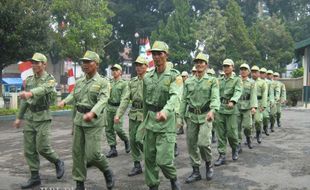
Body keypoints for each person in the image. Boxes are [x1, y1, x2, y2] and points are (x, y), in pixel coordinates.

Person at [13, 52, 65, 189]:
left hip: (43, 117)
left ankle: (58, 161)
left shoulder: (50, 79)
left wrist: (30, 93)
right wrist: (19, 117)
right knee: (29, 149)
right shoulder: (29, 80)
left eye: (37, 62)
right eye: (33, 62)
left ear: (44, 64)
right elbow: (25, 101)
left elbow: (44, 89)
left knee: (43, 147)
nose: (34, 65)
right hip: (30, 118)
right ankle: (35, 177)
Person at [70, 50, 114, 190]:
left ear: (97, 64)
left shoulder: (103, 82)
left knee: (93, 155)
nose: (85, 64)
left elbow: (103, 100)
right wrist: (73, 124)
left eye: (89, 62)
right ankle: (79, 183)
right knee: (77, 153)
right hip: (79, 120)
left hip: (94, 121)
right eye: (83, 62)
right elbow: (75, 104)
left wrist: (93, 113)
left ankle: (107, 170)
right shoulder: (79, 82)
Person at [142, 41, 182, 190]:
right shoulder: (147, 77)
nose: (156, 57)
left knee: (164, 160)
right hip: (150, 121)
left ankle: (172, 177)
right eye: (154, 54)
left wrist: (165, 111)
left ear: (166, 55)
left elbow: (175, 96)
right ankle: (153, 186)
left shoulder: (174, 76)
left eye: (160, 53)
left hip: (167, 122)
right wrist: (143, 123)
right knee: (149, 159)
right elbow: (146, 102)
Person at [180, 52, 219, 183]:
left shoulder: (212, 81)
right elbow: (184, 100)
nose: (199, 64)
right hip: (191, 116)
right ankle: (196, 171)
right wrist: (180, 117)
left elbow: (215, 98)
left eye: (202, 62)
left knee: (203, 143)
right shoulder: (189, 81)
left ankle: (208, 165)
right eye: (197, 62)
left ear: (206, 65)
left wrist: (213, 111)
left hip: (205, 116)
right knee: (191, 144)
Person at [115, 56, 148, 176]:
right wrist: (119, 114)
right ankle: (137, 165)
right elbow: (125, 99)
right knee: (133, 140)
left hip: (146, 114)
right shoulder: (132, 81)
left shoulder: (150, 80)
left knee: (140, 139)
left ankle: (151, 158)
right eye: (137, 65)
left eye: (141, 65)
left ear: (147, 66)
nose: (138, 67)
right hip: (134, 113)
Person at [214, 59, 242, 166]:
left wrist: (233, 100)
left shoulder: (237, 80)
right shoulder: (219, 80)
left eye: (228, 66)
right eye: (224, 66)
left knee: (231, 133)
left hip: (231, 109)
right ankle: (222, 155)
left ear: (233, 67)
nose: (225, 68)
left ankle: (235, 148)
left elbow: (238, 91)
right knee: (220, 134)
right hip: (220, 109)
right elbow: (215, 93)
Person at [106, 64, 131, 158]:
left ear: (120, 72)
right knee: (108, 129)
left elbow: (125, 98)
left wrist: (120, 111)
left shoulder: (124, 83)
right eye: (113, 70)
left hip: (118, 108)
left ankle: (126, 140)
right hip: (109, 107)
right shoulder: (109, 82)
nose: (114, 71)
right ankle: (113, 149)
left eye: (116, 70)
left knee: (118, 128)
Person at [237, 64, 257, 149]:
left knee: (247, 126)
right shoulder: (236, 81)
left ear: (248, 72)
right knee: (236, 127)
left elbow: (253, 95)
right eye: (241, 69)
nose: (243, 71)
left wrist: (253, 107)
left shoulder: (252, 83)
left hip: (247, 107)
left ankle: (248, 138)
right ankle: (238, 145)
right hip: (237, 107)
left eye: (245, 69)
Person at [251, 66, 268, 144]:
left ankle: (258, 133)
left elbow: (265, 94)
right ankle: (249, 137)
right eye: (252, 72)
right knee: (249, 123)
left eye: (255, 72)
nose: (254, 73)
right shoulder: (248, 81)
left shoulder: (262, 82)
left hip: (259, 102)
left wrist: (263, 106)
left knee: (258, 120)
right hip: (249, 103)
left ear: (258, 73)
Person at [259, 68, 273, 136]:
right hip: (257, 101)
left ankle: (265, 127)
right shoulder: (255, 81)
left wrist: (271, 101)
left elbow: (271, 93)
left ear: (265, 74)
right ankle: (257, 132)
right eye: (261, 72)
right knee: (256, 119)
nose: (262, 74)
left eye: (263, 73)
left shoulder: (269, 82)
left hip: (266, 101)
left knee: (265, 116)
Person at [176, 71, 189, 135]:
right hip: (181, 102)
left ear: (187, 76)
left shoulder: (189, 83)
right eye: (182, 76)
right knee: (180, 116)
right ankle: (181, 129)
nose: (183, 78)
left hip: (188, 103)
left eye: (184, 76)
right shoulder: (180, 84)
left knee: (187, 117)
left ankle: (189, 129)